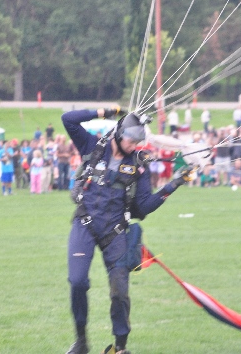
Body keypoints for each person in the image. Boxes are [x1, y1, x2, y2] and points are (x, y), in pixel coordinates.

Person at [62, 107, 196, 354]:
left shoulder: (137, 165)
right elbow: (68, 119)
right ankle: (81, 341)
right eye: (131, 140)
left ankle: (120, 347)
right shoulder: (93, 146)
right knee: (78, 282)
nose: (134, 145)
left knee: (119, 292)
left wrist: (175, 183)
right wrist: (106, 111)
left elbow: (144, 206)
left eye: (138, 141)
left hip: (115, 231)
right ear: (118, 133)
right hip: (85, 224)